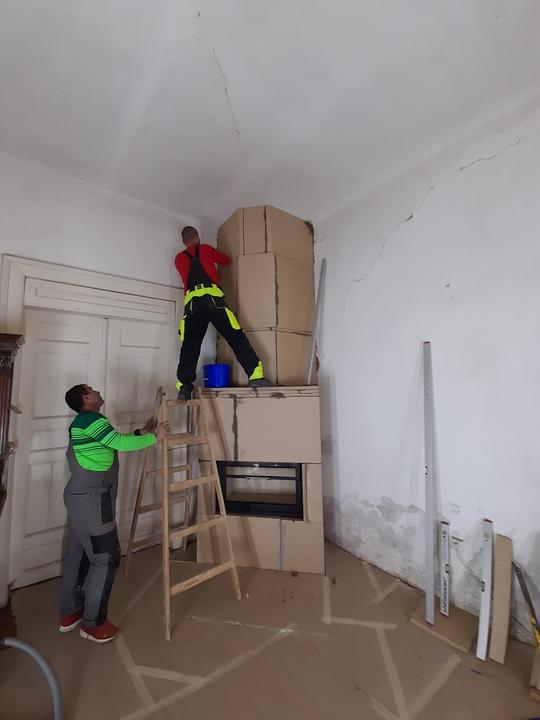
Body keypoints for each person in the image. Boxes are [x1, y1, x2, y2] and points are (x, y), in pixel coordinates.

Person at [59, 384, 169, 644]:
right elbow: (118, 442)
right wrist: (156, 437)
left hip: (80, 500)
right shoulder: (91, 419)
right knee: (106, 558)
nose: (98, 391)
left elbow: (110, 441)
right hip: (92, 502)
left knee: (78, 554)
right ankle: (93, 624)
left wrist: (142, 432)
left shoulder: (84, 423)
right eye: (92, 390)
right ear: (86, 397)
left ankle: (70, 612)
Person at [174, 225, 272, 400]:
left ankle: (184, 387)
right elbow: (226, 260)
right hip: (212, 300)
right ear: (197, 237)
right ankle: (255, 376)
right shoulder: (206, 249)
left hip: (192, 305)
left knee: (189, 346)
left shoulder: (178, 259)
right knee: (235, 336)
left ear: (183, 241)